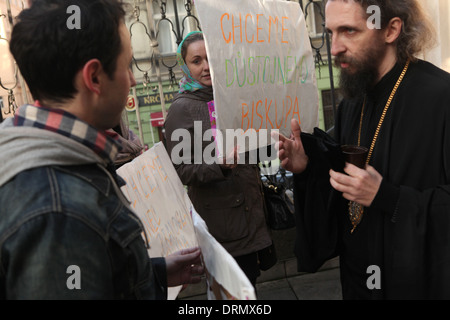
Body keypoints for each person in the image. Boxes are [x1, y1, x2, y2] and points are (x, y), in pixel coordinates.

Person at [0, 0, 203, 299]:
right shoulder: (59, 212)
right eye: (127, 65)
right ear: (94, 77)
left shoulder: (47, 152)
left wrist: (152, 272)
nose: (133, 81)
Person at [275, 0, 450, 299]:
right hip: (359, 278)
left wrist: (389, 198)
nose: (335, 48)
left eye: (349, 31)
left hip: (415, 282)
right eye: (331, 32)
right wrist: (309, 167)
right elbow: (343, 184)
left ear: (391, 29)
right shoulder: (352, 103)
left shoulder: (441, 98)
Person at [164, 31, 275, 288]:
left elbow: (249, 151)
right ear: (185, 66)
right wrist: (220, 165)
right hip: (222, 227)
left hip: (251, 216)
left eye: (210, 58)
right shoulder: (182, 109)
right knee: (229, 291)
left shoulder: (231, 96)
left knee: (248, 287)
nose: (205, 67)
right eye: (196, 60)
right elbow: (181, 170)